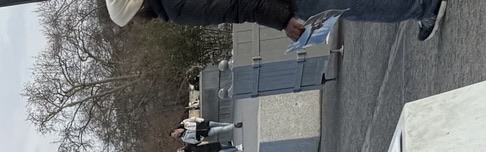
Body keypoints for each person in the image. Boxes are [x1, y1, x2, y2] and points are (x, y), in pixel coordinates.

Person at [109, 0, 447, 44]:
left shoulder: (176, 7)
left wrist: (282, 19)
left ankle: (423, 6)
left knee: (350, 5)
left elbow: (234, 6)